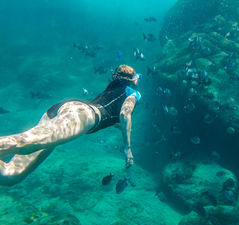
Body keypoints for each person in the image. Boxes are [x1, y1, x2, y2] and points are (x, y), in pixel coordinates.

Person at [0, 64, 142, 186]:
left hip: (67, 109)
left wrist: (121, 126)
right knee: (25, 143)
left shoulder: (112, 88)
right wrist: (127, 148)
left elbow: (116, 117)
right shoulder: (133, 93)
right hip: (81, 116)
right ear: (134, 80)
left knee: (11, 175)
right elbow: (125, 114)